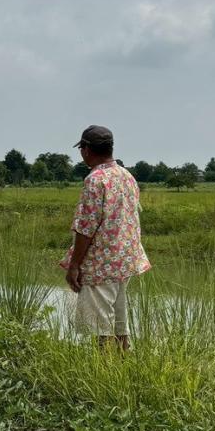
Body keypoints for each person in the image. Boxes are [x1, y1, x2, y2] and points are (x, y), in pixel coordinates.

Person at [60, 125, 150, 350]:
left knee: (101, 327)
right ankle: (124, 367)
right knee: (120, 322)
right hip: (124, 260)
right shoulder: (126, 175)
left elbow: (86, 228)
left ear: (86, 149)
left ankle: (105, 374)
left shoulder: (95, 180)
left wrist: (74, 266)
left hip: (102, 264)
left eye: (81, 148)